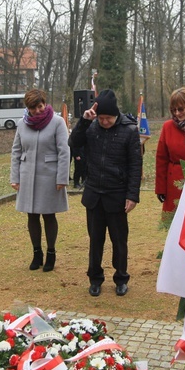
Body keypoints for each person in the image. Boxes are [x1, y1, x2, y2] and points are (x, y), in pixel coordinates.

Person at [69, 89, 142, 297]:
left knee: (119, 241)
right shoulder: (91, 128)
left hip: (117, 195)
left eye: (108, 118)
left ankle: (121, 277)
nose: (104, 122)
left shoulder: (129, 130)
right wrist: (84, 121)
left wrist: (132, 195)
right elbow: (73, 143)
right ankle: (95, 278)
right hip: (94, 195)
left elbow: (135, 165)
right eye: (101, 118)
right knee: (95, 240)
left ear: (115, 115)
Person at [10, 89, 70, 272]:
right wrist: (15, 177)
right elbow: (16, 151)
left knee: (49, 215)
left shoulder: (57, 122)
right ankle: (37, 253)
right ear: (27, 108)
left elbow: (64, 151)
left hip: (50, 177)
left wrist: (62, 177)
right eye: (32, 107)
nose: (37, 110)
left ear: (45, 103)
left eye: (40, 106)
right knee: (32, 215)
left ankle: (51, 253)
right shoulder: (22, 124)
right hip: (27, 175)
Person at [155, 88, 185, 214]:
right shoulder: (168, 127)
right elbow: (161, 159)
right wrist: (161, 188)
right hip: (174, 184)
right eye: (173, 110)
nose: (177, 113)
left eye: (180, 109)